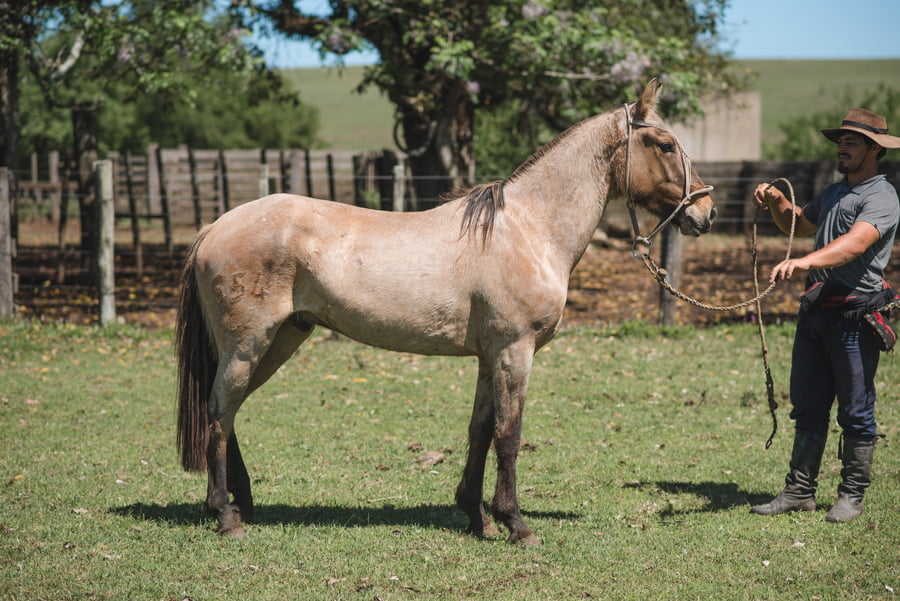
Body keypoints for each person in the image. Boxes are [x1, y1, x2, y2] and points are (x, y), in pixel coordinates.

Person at [750, 108, 900, 522]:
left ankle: (852, 496)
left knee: (855, 408)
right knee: (808, 404)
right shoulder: (834, 193)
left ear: (874, 148)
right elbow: (796, 223)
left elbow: (854, 244)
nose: (842, 147)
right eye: (841, 140)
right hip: (816, 314)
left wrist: (805, 262)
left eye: (851, 141)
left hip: (855, 317)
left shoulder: (881, 197)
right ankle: (799, 491)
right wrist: (779, 201)